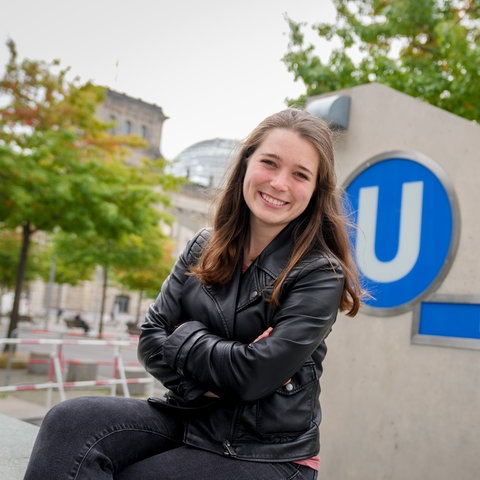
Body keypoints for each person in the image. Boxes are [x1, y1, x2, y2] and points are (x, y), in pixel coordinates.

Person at [23, 108, 361, 480]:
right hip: (188, 417)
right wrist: (230, 369)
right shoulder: (203, 246)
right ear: (246, 164)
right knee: (67, 421)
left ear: (315, 190)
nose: (280, 183)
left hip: (265, 452)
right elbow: (150, 340)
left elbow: (252, 377)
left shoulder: (319, 273)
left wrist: (183, 338)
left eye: (300, 174)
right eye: (270, 163)